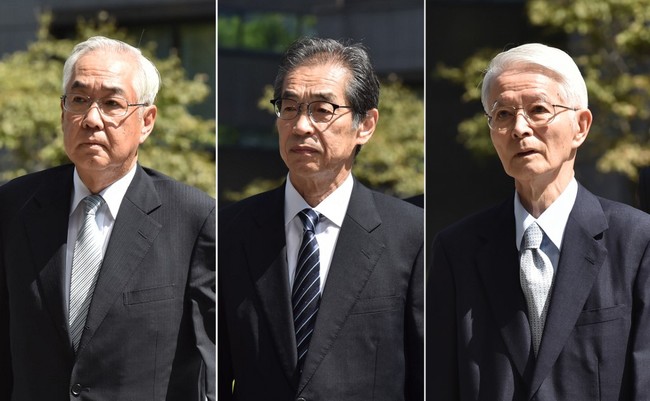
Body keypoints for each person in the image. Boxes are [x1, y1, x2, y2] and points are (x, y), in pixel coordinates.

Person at [429, 42, 650, 400]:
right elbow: (441, 381)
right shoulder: (457, 250)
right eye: (502, 115)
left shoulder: (637, 242)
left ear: (581, 126)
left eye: (538, 110)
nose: (519, 128)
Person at [0, 36, 215, 400]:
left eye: (112, 103)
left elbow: (207, 365)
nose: (91, 119)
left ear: (146, 121)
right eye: (79, 100)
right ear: (62, 110)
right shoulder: (14, 206)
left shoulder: (192, 218)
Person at [218, 37, 424, 401]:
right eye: (289, 107)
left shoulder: (412, 236)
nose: (300, 126)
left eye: (322, 110)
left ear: (366, 125)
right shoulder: (229, 231)